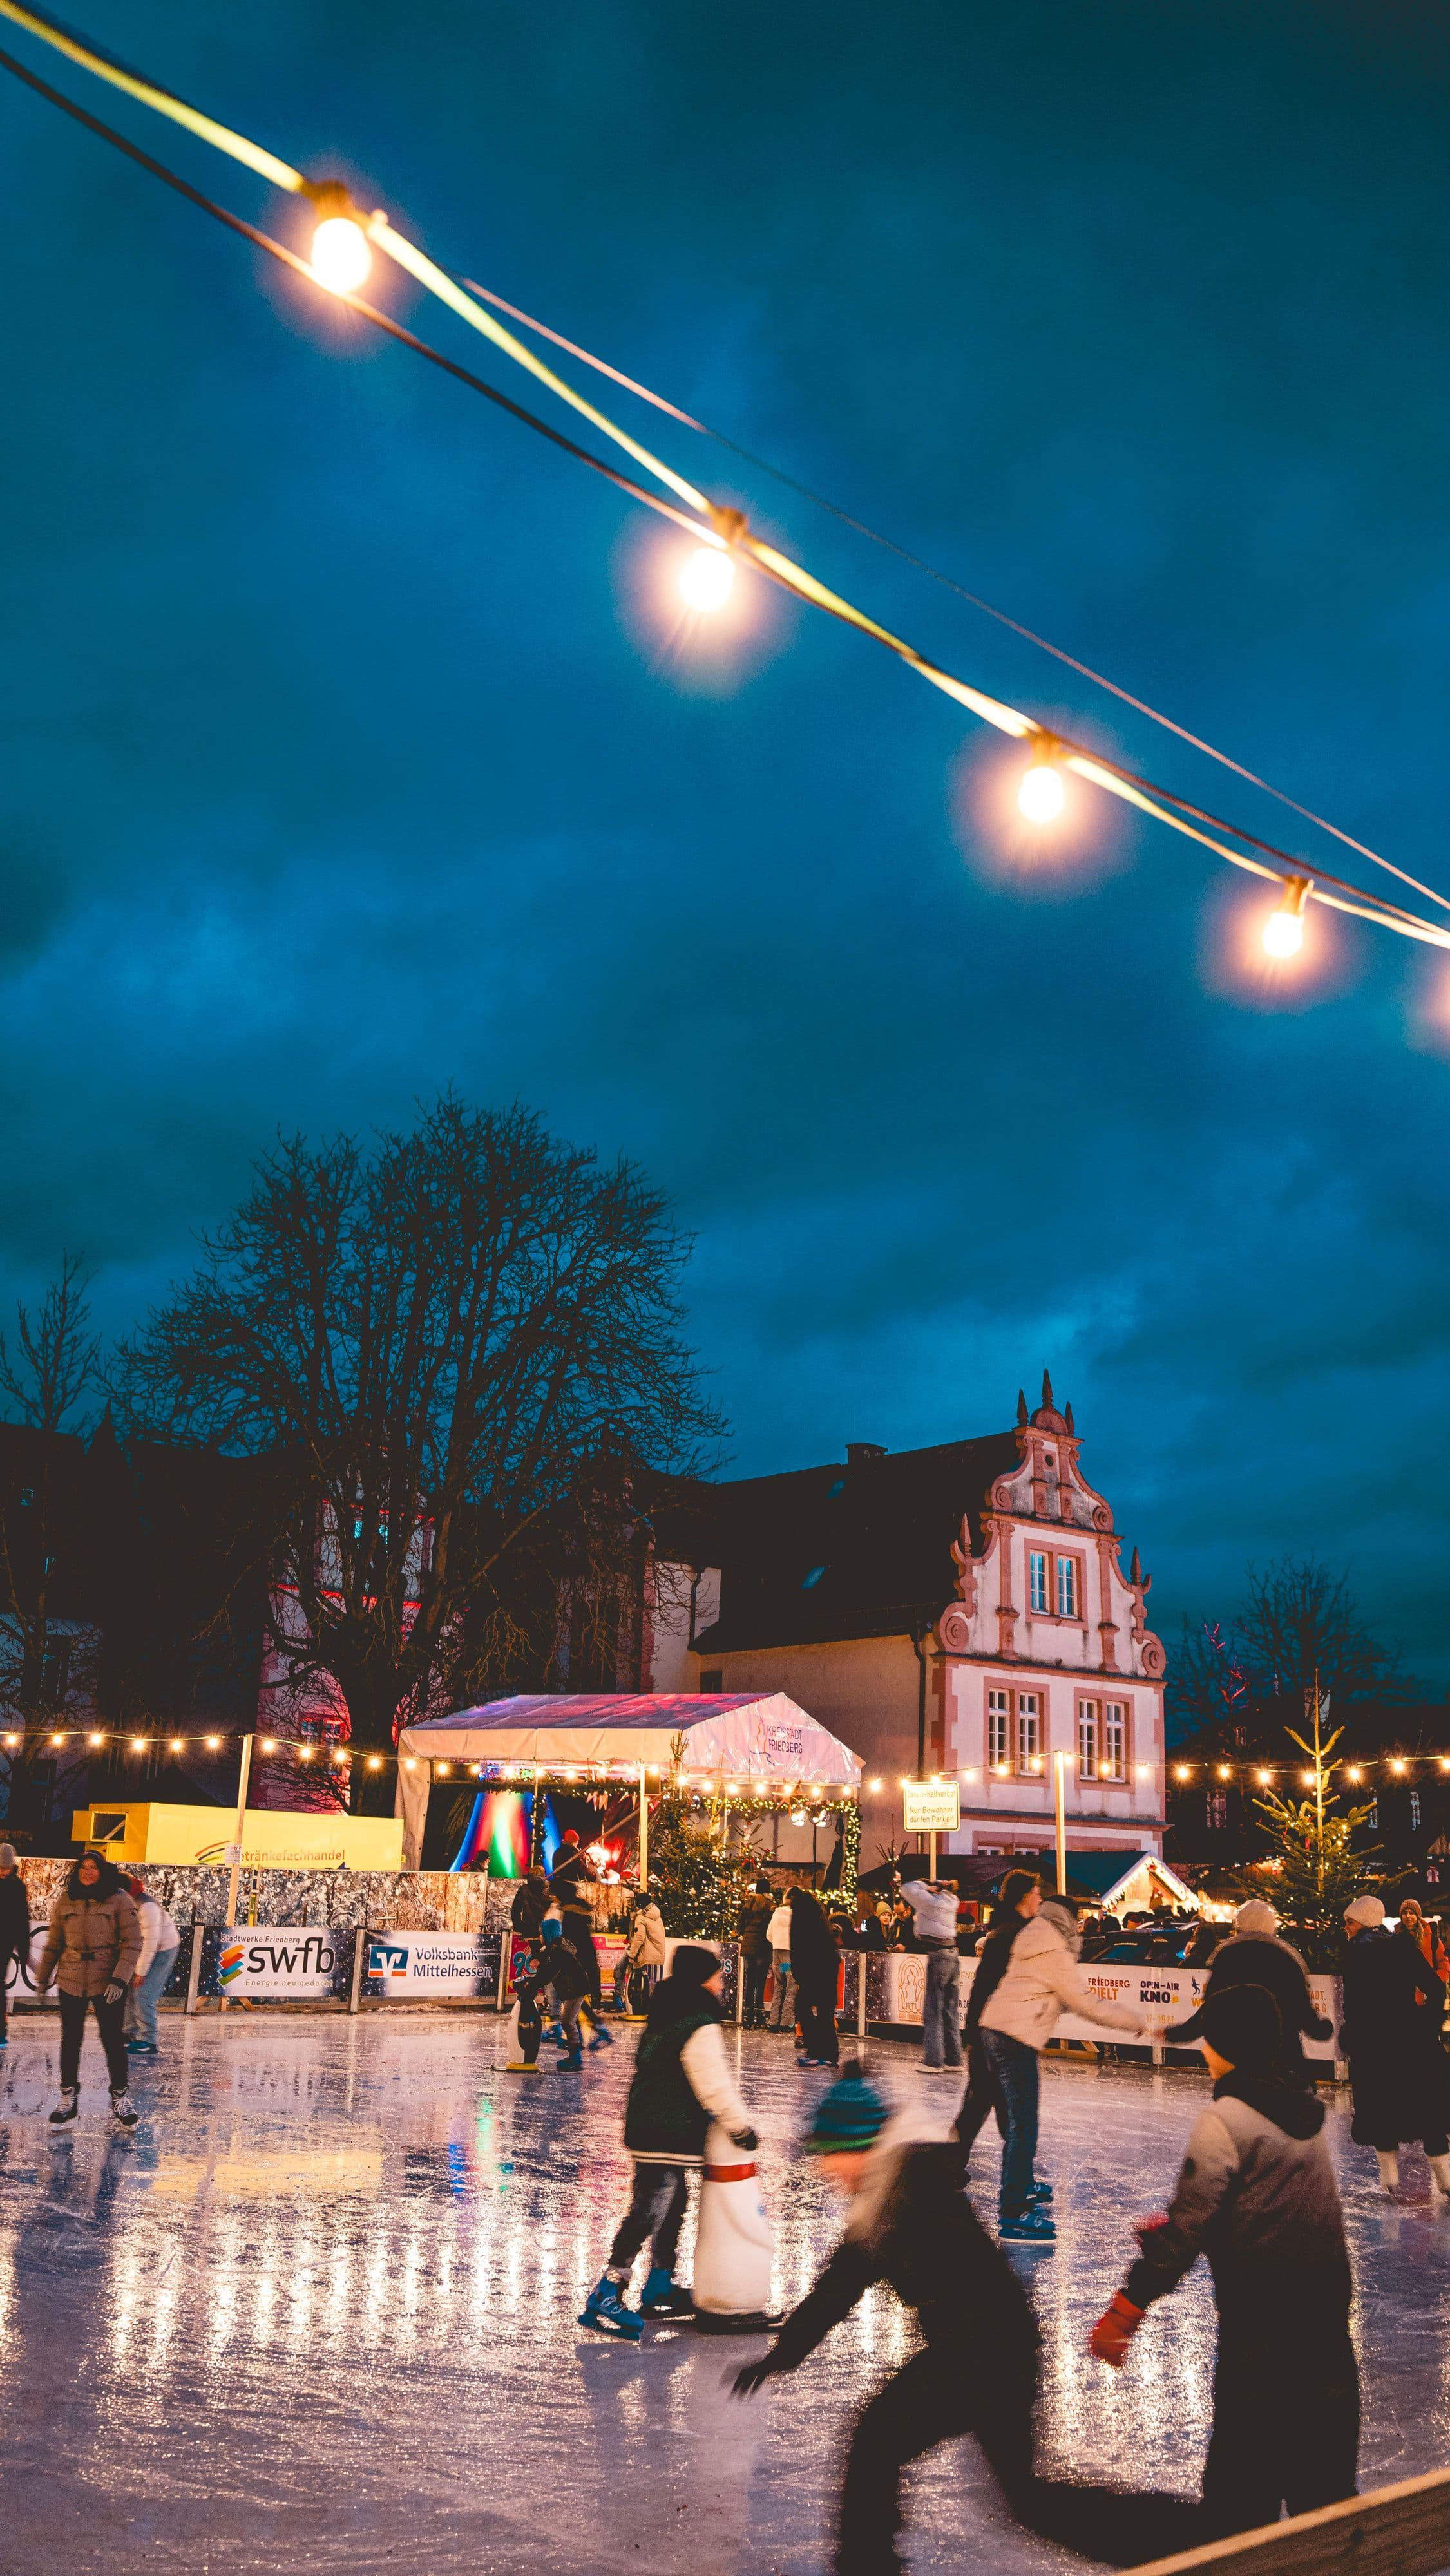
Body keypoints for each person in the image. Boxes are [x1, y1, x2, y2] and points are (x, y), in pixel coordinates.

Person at [734, 2074, 1199, 2576]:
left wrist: (786, 2352)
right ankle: (1186, 2539)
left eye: (832, 2152)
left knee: (879, 2444)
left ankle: (1192, 2539)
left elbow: (845, 2282)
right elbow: (839, 2286)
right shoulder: (889, 2191)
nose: (825, 2168)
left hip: (983, 2355)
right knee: (1025, 2501)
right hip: (985, 2349)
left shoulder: (906, 2193)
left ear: (864, 2145)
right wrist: (785, 2354)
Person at [1089, 1984, 1359, 2540]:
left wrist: (1125, 2309)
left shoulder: (1225, 2118)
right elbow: (1270, 2209)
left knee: (1241, 2498)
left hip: (1260, 2333)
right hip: (1325, 2327)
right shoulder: (1301, 2106)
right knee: (1326, 2494)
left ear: (1224, 2044)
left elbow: (1189, 2229)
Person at [580, 1942, 757, 2338]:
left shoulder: (665, 2014)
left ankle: (660, 2282)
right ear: (701, 1979)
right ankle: (609, 2288)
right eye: (717, 1975)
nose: (721, 1982)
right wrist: (740, 2127)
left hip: (650, 2126)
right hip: (668, 2130)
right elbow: (714, 2085)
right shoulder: (699, 2021)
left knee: (673, 2203)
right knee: (651, 2209)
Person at [979, 1891, 1147, 2240]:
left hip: (997, 2030)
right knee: (1023, 2123)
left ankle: (1021, 2183)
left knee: (1017, 2119)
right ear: (1068, 1921)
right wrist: (1133, 2022)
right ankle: (1013, 2212)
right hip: (1013, 2037)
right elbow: (1083, 2001)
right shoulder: (1053, 1951)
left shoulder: (1036, 1937)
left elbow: (1056, 1997)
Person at [1339, 1893, 1450, 2195]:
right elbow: (1436, 1988)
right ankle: (1446, 2178)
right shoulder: (1402, 1947)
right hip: (1412, 2040)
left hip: (1374, 2045)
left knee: (1380, 2108)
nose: (1345, 1927)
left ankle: (1389, 2177)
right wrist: (1426, 2023)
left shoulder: (1354, 1953)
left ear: (1363, 1922)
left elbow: (1353, 2005)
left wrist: (1354, 2036)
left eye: (1349, 1921)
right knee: (1427, 2108)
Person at [1170, 1897, 1331, 2087]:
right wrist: (1321, 2029)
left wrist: (1178, 2033)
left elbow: (1214, 2007)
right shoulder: (1286, 1958)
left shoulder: (1228, 1956)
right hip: (1282, 2056)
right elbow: (1301, 2009)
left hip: (1240, 2055)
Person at [35, 1852, 142, 2128]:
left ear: (102, 1871)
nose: (87, 1871)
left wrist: (120, 1979)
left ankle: (120, 2097)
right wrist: (43, 1975)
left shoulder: (119, 1899)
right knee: (71, 2040)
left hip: (107, 1981)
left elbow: (132, 1943)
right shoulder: (67, 1898)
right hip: (71, 1978)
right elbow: (55, 1942)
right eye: (83, 1867)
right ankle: (68, 2098)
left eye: (93, 1867)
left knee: (112, 2040)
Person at [954, 1870, 1041, 2168]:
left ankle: (1018, 2173)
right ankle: (951, 2167)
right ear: (1025, 1896)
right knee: (989, 2107)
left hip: (999, 2034)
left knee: (996, 2108)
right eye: (1037, 1892)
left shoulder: (1014, 1932)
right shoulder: (1009, 1936)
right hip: (995, 2035)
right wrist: (975, 2034)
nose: (1040, 1898)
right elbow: (983, 1987)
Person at [900, 1873, 962, 2072]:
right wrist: (938, 1886)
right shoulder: (952, 1900)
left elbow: (906, 1888)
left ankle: (934, 2061)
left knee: (933, 2010)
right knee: (950, 2011)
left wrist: (926, 1885)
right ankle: (954, 2059)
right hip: (953, 1955)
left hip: (938, 1955)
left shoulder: (930, 1901)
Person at [124, 1875, 180, 2057]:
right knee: (128, 1990)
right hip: (143, 1949)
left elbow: (151, 1943)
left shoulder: (146, 1907)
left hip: (162, 1949)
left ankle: (149, 2040)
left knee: (144, 1992)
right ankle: (130, 2033)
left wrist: (141, 1972)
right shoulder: (127, 1904)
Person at [557, 1869, 613, 2050]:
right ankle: (588, 2033)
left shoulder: (570, 1914)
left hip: (576, 1961)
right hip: (583, 1959)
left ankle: (585, 2035)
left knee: (573, 1999)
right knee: (576, 2001)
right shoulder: (577, 1910)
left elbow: (569, 1939)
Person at [788, 1884, 841, 2067]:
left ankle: (816, 2050)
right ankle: (830, 2054)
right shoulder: (820, 1920)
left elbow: (797, 1949)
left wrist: (799, 1975)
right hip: (827, 1970)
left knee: (802, 2006)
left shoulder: (800, 1919)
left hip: (813, 1972)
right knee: (825, 2012)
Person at [529, 1918, 591, 2069]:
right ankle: (574, 2046)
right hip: (570, 1989)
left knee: (567, 2022)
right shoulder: (554, 1948)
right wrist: (537, 1960)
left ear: (549, 1935)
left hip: (575, 1990)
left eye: (542, 1934)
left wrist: (532, 1986)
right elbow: (545, 1959)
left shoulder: (559, 1952)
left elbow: (549, 1973)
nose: (540, 1937)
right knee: (570, 2021)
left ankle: (575, 2057)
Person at [613, 1886, 665, 2012]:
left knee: (626, 1974)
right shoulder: (657, 1917)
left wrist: (632, 1954)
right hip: (657, 1957)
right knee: (651, 1987)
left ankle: (622, 2002)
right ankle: (628, 2004)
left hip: (644, 1955)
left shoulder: (641, 1918)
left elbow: (639, 1937)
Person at [0, 1842, 30, 2049]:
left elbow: (21, 1919)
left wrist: (24, 1947)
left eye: (6, 1867)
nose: (3, 1871)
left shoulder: (18, 1887)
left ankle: (1, 2031)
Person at [1395, 1897, 1449, 2005]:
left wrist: (1431, 1983)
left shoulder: (1433, 1940)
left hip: (1428, 1999)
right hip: (1403, 1999)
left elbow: (1444, 1966)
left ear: (1418, 1916)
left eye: (1412, 1913)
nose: (1408, 1916)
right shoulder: (1395, 1939)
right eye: (1405, 1913)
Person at [736, 1877, 776, 2026]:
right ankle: (759, 2014)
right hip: (762, 1947)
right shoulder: (770, 1906)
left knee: (750, 1981)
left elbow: (740, 1924)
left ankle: (748, 2015)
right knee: (760, 1982)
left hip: (748, 1947)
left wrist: (743, 1933)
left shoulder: (748, 1904)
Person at [765, 1889, 796, 2030]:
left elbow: (769, 1935)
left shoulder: (776, 1913)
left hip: (776, 1953)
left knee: (779, 1986)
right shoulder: (796, 1915)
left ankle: (773, 2021)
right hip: (789, 1955)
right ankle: (786, 2022)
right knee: (791, 1986)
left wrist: (777, 1943)